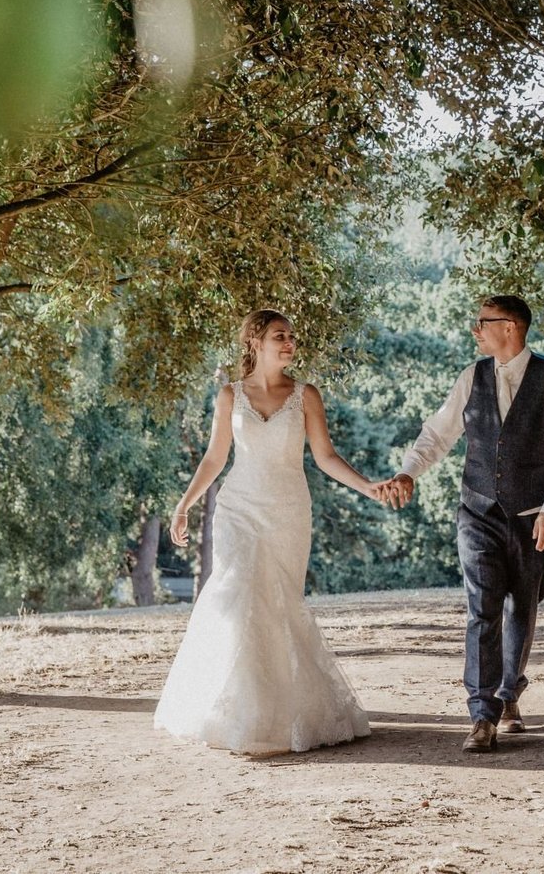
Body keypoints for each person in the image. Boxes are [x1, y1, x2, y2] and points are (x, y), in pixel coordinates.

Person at [155, 309, 385, 755]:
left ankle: (283, 714)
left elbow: (326, 457)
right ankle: (236, 714)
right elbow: (214, 458)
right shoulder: (230, 396)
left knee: (277, 604)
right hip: (238, 508)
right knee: (237, 596)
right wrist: (183, 506)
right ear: (255, 342)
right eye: (280, 336)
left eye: (292, 337)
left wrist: (368, 487)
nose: (289, 343)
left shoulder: (306, 396)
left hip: (287, 512)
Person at [383, 295, 544, 753]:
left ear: (509, 327)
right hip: (477, 512)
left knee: (524, 607)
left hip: (533, 515)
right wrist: (409, 470)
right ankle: (482, 712)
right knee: (483, 607)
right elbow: (439, 432)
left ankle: (510, 692)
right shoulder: (471, 376)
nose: (475, 330)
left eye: (482, 323)